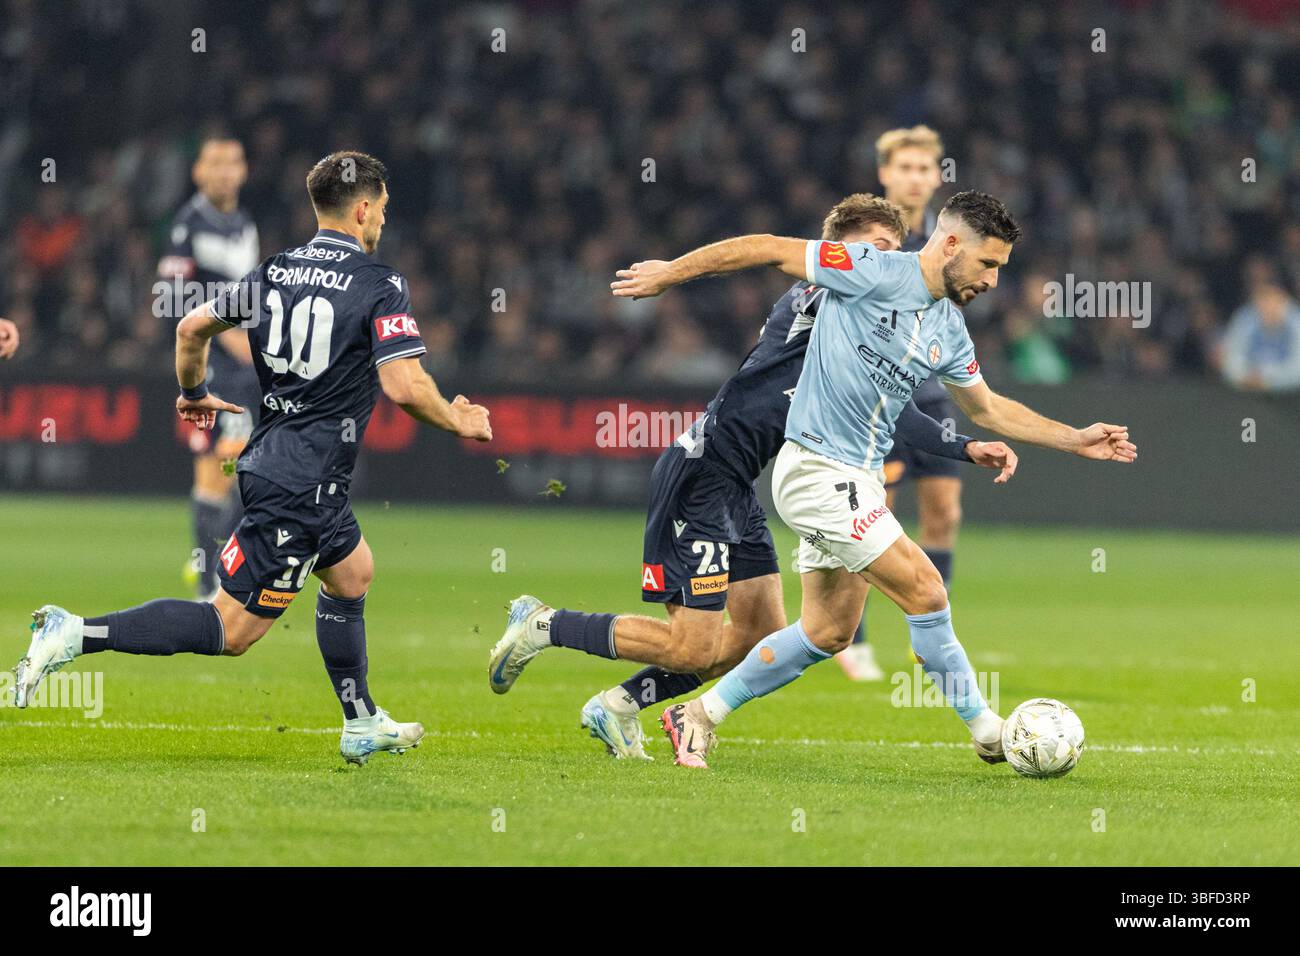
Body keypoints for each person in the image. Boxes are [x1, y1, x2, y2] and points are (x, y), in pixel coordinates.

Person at [600, 190, 1136, 768]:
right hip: (816, 469)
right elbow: (767, 247)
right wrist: (670, 274)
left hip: (857, 477)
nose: (994, 281)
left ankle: (697, 714)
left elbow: (987, 408)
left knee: (828, 631)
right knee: (927, 590)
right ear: (951, 243)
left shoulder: (949, 329)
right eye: (988, 264)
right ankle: (988, 731)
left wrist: (1073, 437)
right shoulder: (870, 270)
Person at [488, 194, 1018, 760]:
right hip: (704, 470)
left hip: (739, 485)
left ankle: (616, 706)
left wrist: (962, 446)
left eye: (894, 251)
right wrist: (671, 273)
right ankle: (546, 624)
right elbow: (761, 249)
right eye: (873, 251)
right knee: (693, 648)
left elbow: (895, 409)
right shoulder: (820, 296)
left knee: (758, 635)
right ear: (837, 251)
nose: (887, 263)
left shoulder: (869, 322)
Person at [13, 151, 493, 765]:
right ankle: (76, 632)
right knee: (229, 630)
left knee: (353, 574)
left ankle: (360, 719)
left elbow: (190, 329)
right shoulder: (379, 283)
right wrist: (459, 417)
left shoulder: (275, 271)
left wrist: (191, 394)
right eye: (383, 210)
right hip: (306, 481)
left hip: (276, 461)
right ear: (366, 208)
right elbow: (403, 385)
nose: (382, 223)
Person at [158, 136, 262, 598]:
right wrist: (228, 342)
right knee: (216, 468)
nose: (223, 172)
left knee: (238, 467)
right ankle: (207, 585)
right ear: (198, 172)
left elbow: (252, 299)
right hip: (210, 369)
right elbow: (173, 304)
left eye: (232, 163)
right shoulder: (187, 226)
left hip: (246, 369)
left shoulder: (244, 224)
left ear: (243, 171)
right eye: (214, 163)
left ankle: (216, 569)